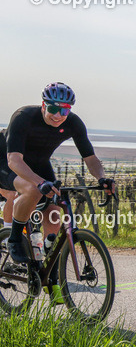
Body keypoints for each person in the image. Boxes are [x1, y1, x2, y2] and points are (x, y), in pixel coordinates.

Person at [0, 83, 115, 301]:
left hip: (39, 163)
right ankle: (14, 239)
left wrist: (102, 178)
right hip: (6, 161)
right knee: (33, 189)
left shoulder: (73, 123)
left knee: (53, 208)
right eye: (53, 109)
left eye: (64, 110)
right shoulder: (23, 116)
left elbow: (90, 158)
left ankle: (48, 258)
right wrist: (38, 182)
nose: (58, 115)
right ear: (43, 105)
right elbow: (14, 160)